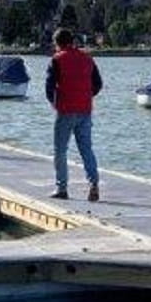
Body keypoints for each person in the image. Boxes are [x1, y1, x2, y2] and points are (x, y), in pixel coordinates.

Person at [45, 27, 103, 201]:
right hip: (85, 110)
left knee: (60, 150)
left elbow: (49, 87)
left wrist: (55, 103)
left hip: (65, 110)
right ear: (72, 41)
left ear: (57, 44)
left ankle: (62, 188)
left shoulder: (57, 60)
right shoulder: (87, 58)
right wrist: (86, 95)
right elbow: (98, 84)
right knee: (86, 148)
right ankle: (93, 184)